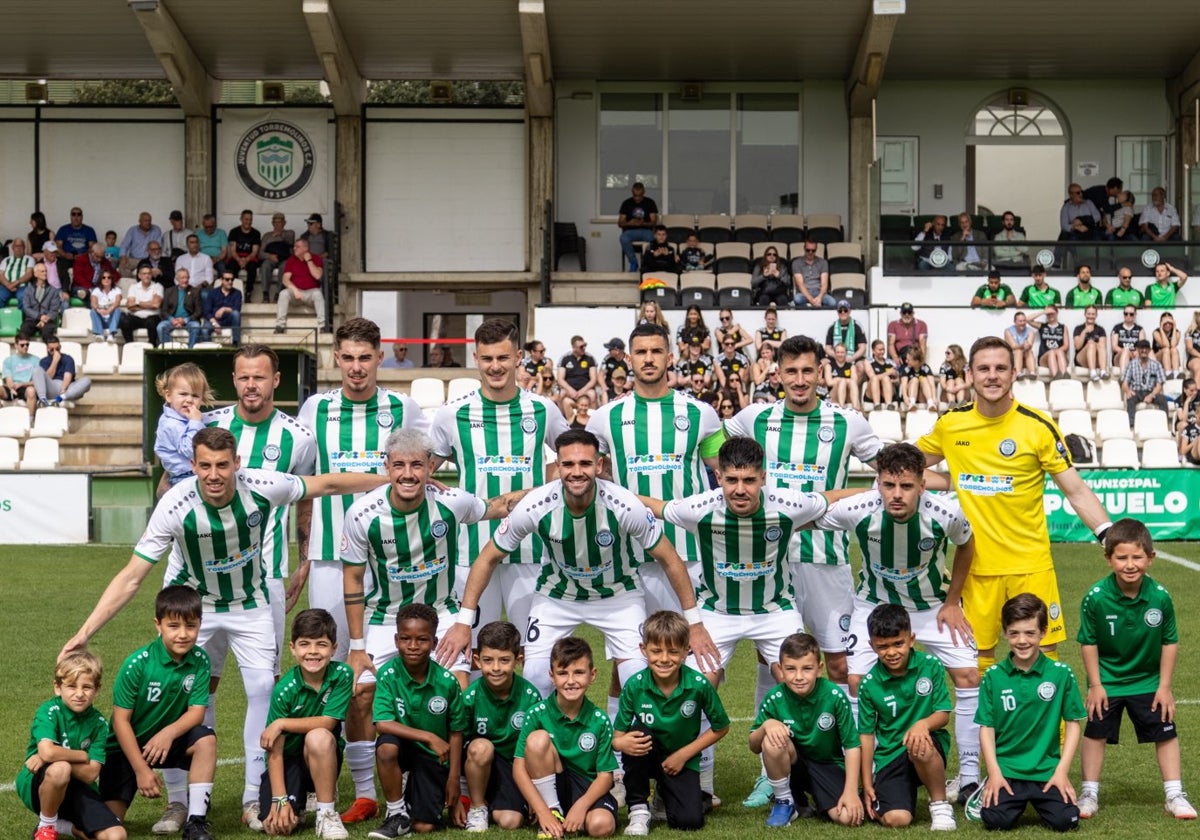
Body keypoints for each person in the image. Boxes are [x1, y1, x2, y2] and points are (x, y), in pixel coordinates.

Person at [58, 428, 391, 832]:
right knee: (189, 694)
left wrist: (392, 478)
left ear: (236, 464)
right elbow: (132, 576)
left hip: (249, 607)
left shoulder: (264, 485)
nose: (213, 475)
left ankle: (252, 797)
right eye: (204, 466)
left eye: (221, 465)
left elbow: (328, 483)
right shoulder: (176, 505)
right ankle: (179, 803)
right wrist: (85, 631)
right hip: (195, 610)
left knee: (262, 692)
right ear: (193, 466)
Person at [916, 336, 1110, 801]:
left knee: (1048, 672)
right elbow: (911, 467)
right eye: (983, 368)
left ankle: (1052, 773)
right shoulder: (951, 425)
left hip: (1029, 569)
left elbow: (1076, 489)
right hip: (974, 572)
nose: (992, 376)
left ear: (1013, 373)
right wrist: (948, 479)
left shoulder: (1037, 426)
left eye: (1000, 368)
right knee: (972, 676)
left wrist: (1107, 533)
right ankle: (971, 774)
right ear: (970, 375)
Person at [436, 429, 719, 701]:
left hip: (618, 596)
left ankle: (620, 750)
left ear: (598, 465)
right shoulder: (536, 504)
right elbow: (487, 558)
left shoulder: (624, 504)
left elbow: (670, 558)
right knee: (535, 676)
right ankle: (541, 746)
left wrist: (694, 624)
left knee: (636, 678)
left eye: (585, 463)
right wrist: (463, 622)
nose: (576, 471)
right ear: (557, 467)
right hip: (557, 597)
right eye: (568, 464)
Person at [724, 334, 883, 806]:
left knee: (838, 664)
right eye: (789, 372)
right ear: (777, 374)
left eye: (807, 371)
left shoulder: (847, 423)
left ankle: (843, 762)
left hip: (825, 559)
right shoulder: (755, 418)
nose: (798, 380)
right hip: (767, 557)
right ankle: (769, 770)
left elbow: (892, 468)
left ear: (820, 373)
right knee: (772, 663)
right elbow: (712, 445)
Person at [294, 317, 428, 822]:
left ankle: (413, 776)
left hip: (392, 560)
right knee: (331, 670)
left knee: (407, 663)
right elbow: (307, 485)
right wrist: (304, 554)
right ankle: (350, 785)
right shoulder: (315, 408)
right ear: (336, 357)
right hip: (331, 558)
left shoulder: (404, 407)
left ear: (380, 357)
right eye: (346, 358)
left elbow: (420, 472)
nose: (355, 368)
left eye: (364, 357)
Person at [815, 443, 979, 801]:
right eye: (889, 485)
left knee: (968, 675)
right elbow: (814, 511)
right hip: (873, 605)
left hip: (932, 607)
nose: (897, 495)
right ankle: (864, 770)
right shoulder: (859, 509)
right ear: (878, 483)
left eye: (906, 486)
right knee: (855, 679)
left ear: (923, 484)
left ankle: (969, 777)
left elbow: (967, 545)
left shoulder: (945, 513)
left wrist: (953, 602)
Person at [202, 344, 318, 669]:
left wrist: (304, 563)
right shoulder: (207, 426)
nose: (251, 385)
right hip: (207, 573)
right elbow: (173, 486)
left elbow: (305, 501)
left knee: (267, 674)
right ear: (234, 380)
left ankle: (268, 724)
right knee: (201, 677)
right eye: (244, 377)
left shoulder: (299, 438)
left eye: (260, 377)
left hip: (266, 575)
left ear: (276, 380)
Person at [1076, 519, 1196, 821]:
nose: (1130, 565)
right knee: (1095, 733)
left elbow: (1169, 641)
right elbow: (1088, 642)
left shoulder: (1160, 597)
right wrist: (1095, 685)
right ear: (1108, 558)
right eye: (1122, 557)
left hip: (1149, 681)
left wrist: (1164, 686)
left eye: (1137, 557)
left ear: (1150, 558)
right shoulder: (1096, 597)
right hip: (1108, 682)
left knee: (1165, 732)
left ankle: (1174, 793)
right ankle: (1089, 792)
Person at [93, 586, 216, 840]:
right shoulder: (137, 664)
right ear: (158, 625)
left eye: (190, 626)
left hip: (164, 744)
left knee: (206, 739)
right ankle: (59, 823)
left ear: (200, 624)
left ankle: (196, 823)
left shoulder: (201, 660)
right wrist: (140, 769)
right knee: (108, 825)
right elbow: (120, 721)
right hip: (125, 750)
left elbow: (196, 713)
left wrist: (168, 734)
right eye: (173, 626)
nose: (183, 634)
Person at [974, 594, 1085, 833]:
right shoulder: (993, 676)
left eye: (1030, 633)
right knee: (995, 821)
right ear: (1004, 633)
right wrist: (994, 773)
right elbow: (986, 727)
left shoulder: (1061, 674)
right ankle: (995, 789)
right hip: (1007, 772)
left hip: (1047, 771)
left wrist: (1062, 771)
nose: (1022, 640)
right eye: (1014, 633)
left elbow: (1073, 723)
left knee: (1066, 821)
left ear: (1043, 632)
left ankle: (1046, 798)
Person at [614, 611, 730, 835]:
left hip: (680, 758)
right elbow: (617, 737)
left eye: (673, 651)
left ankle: (664, 795)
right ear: (643, 650)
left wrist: (684, 754)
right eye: (656, 651)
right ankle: (638, 809)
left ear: (687, 651)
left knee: (689, 821)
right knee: (636, 734)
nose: (664, 659)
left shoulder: (698, 685)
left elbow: (721, 727)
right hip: (647, 753)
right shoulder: (634, 686)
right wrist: (622, 744)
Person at [370, 604, 468, 839]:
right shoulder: (387, 674)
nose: (413, 646)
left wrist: (454, 780)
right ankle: (396, 813)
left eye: (422, 640)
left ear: (434, 643)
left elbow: (456, 732)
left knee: (425, 827)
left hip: (432, 756)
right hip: (403, 748)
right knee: (386, 747)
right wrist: (428, 736)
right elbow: (382, 724)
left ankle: (411, 791)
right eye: (405, 639)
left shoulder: (446, 682)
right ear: (396, 640)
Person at [254, 609, 353, 840]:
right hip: (287, 759)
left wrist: (281, 723)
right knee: (280, 827)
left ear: (334, 648)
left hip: (321, 753)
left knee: (319, 735)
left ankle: (326, 813)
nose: (312, 652)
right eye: (305, 644)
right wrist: (279, 799)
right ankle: (297, 803)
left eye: (321, 644)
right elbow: (274, 748)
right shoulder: (284, 690)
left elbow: (328, 722)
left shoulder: (342, 675)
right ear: (292, 648)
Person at [856, 605, 956, 831]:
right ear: (872, 646)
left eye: (897, 644)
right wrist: (866, 781)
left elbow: (943, 714)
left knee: (918, 743)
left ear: (911, 639)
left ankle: (940, 806)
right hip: (891, 755)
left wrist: (923, 724)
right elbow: (866, 735)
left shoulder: (930, 666)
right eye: (882, 647)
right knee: (897, 820)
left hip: (928, 747)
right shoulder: (869, 684)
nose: (891, 652)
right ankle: (889, 794)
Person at [749, 633, 864, 828]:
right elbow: (754, 745)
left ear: (819, 669)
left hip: (827, 764)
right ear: (781, 670)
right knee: (772, 740)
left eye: (807, 669)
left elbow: (852, 746)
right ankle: (785, 802)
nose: (799, 677)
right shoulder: (774, 697)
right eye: (791, 669)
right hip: (794, 763)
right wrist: (766, 725)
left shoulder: (834, 696)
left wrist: (851, 791)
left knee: (847, 818)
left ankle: (807, 802)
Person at [513, 637, 619, 839]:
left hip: (586, 787)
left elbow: (606, 776)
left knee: (601, 826)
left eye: (579, 672)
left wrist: (581, 806)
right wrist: (543, 811)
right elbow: (518, 767)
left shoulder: (599, 719)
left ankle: (572, 815)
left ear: (592, 675)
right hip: (552, 782)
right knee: (537, 739)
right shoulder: (537, 713)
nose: (570, 681)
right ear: (551, 676)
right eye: (562, 673)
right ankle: (552, 813)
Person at [16, 652, 125, 840]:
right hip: (39, 784)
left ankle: (66, 827)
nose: (80, 694)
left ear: (97, 690)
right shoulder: (49, 710)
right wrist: (82, 755)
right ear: (58, 688)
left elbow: (91, 773)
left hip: (79, 787)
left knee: (116, 835)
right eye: (71, 686)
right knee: (60, 769)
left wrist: (49, 756)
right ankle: (46, 826)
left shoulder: (99, 724)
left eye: (87, 687)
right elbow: (48, 752)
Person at [461, 621, 543, 833]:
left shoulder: (530, 695)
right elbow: (457, 741)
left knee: (510, 821)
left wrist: (536, 795)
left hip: (513, 767)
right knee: (481, 747)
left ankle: (492, 798)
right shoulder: (470, 697)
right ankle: (477, 806)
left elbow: (534, 749)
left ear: (518, 660)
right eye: (488, 661)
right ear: (477, 661)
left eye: (504, 660)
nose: (496, 668)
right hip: (478, 761)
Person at [154, 362, 212, 488]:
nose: (189, 400)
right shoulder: (171, 424)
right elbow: (190, 450)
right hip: (184, 477)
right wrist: (196, 422)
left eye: (195, 396)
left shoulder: (184, 419)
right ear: (168, 396)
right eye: (183, 394)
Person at [275, 238, 327, 333]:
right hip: (296, 293)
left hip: (310, 293)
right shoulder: (291, 260)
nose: (294, 248)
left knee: (318, 294)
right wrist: (295, 290)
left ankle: (322, 326)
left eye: (297, 247)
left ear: (305, 248)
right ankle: (280, 325)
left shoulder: (316, 258)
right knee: (283, 293)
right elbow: (285, 280)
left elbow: (317, 275)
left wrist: (309, 261)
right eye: (294, 246)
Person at [33, 335, 91, 407]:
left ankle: (61, 398)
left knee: (87, 380)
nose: (55, 351)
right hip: (52, 386)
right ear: (47, 349)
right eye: (52, 349)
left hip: (67, 388)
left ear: (60, 347)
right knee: (37, 370)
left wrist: (63, 389)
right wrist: (55, 361)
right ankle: (43, 400)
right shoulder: (44, 361)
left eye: (57, 349)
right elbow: (48, 377)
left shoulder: (68, 358)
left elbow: (67, 377)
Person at [1121, 339, 1168, 426]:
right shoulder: (1131, 364)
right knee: (1130, 399)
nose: (1144, 350)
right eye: (1141, 348)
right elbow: (1124, 383)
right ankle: (1131, 425)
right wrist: (1128, 391)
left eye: (1146, 348)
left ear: (1149, 350)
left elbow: (1159, 385)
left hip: (1151, 391)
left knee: (1162, 399)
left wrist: (1151, 395)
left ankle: (1163, 424)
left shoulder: (1156, 365)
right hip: (1136, 391)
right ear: (1137, 350)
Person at [119, 265, 164, 347]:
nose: (147, 276)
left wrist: (137, 303)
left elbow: (156, 305)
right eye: (144, 274)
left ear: (152, 275)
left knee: (152, 322)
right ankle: (130, 346)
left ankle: (152, 347)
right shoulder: (133, 287)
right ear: (139, 275)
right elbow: (130, 306)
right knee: (125, 321)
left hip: (152, 317)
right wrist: (149, 303)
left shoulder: (158, 286)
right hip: (136, 317)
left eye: (149, 273)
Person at [618, 183, 659, 272]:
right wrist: (630, 223)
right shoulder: (626, 203)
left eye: (639, 195)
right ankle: (633, 263)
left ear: (644, 192)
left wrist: (643, 223)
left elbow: (654, 222)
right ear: (632, 192)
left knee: (653, 239)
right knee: (623, 238)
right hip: (630, 232)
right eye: (635, 195)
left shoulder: (650, 202)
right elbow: (620, 223)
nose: (637, 198)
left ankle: (647, 264)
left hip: (646, 231)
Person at [157, 268, 203, 347]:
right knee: (161, 327)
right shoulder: (169, 291)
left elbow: (199, 311)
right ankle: (168, 351)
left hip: (189, 320)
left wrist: (185, 320)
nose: (185, 280)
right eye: (182, 278)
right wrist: (172, 320)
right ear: (177, 279)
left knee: (196, 326)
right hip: (172, 320)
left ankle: (190, 352)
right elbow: (163, 311)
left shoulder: (195, 291)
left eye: (187, 277)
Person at [557, 334, 600, 414]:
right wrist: (570, 390)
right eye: (581, 347)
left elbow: (593, 380)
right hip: (569, 389)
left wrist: (581, 391)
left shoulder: (590, 358)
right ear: (574, 348)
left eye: (584, 345)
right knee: (561, 393)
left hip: (585, 389)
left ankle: (592, 419)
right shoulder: (565, 358)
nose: (584, 348)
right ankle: (562, 419)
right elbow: (560, 379)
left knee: (592, 394)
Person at [258, 212, 296, 303]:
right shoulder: (267, 236)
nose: (277, 224)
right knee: (265, 266)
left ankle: (278, 294)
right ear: (272, 223)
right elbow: (260, 253)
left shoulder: (289, 233)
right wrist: (269, 256)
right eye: (275, 222)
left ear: (284, 223)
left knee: (285, 267)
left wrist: (280, 234)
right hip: (271, 258)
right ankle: (265, 294)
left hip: (285, 258)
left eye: (280, 222)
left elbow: (290, 241)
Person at [21, 262, 62, 342]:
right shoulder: (28, 289)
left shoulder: (53, 290)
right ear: (35, 274)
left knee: (47, 333)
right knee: (24, 332)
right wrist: (39, 316)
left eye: (46, 271)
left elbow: (54, 310)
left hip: (47, 321)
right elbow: (26, 307)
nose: (45, 273)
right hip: (31, 319)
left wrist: (43, 320)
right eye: (42, 271)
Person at [824, 299, 867, 375]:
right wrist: (838, 356)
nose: (843, 312)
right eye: (840, 310)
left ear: (849, 311)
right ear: (837, 312)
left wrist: (852, 358)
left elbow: (862, 348)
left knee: (861, 367)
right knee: (822, 364)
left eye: (845, 310)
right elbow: (827, 348)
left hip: (853, 356)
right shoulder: (832, 327)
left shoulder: (857, 326)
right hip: (836, 355)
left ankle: (853, 386)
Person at [3, 335, 41, 419]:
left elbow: (37, 380)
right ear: (16, 345)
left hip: (28, 387)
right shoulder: (8, 360)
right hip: (13, 387)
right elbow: (8, 378)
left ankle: (30, 421)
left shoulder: (36, 360)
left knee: (31, 391)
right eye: (22, 345)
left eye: (27, 344)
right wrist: (11, 388)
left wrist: (22, 384)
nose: (25, 347)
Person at [200, 271, 243, 345]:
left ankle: (236, 343)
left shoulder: (237, 293)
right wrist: (215, 324)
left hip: (228, 320)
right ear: (221, 280)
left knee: (236, 314)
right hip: (214, 320)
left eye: (232, 279)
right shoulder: (212, 293)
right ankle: (209, 349)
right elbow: (207, 312)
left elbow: (237, 308)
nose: (230, 282)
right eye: (227, 279)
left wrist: (224, 309)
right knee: (204, 329)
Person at [227, 210, 262, 299]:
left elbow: (254, 252)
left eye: (250, 219)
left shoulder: (256, 233)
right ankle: (232, 291)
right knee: (231, 268)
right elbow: (232, 250)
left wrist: (245, 260)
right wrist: (239, 260)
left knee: (252, 268)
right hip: (236, 256)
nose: (248, 222)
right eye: (246, 219)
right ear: (241, 219)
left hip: (250, 257)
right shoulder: (234, 232)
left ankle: (248, 292)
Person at [790, 240, 834, 308]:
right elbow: (800, 285)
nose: (810, 252)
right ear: (804, 248)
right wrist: (812, 301)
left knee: (832, 302)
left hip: (819, 292)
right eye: (808, 250)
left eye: (813, 250)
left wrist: (819, 298)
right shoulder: (796, 263)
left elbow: (824, 284)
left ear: (816, 250)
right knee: (797, 299)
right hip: (804, 293)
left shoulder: (823, 262)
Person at [118, 212, 163, 276]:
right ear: (140, 221)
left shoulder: (156, 230)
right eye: (145, 221)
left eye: (149, 220)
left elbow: (157, 246)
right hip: (134, 259)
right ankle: (131, 284)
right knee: (123, 265)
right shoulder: (132, 230)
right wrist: (122, 256)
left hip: (149, 260)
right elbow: (124, 245)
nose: (148, 222)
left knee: (157, 269)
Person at [1031, 305, 1069, 380]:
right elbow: (1028, 320)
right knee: (1051, 352)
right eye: (1048, 314)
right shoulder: (1042, 326)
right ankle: (1056, 378)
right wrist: (1043, 312)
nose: (1050, 315)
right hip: (1044, 358)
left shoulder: (1063, 327)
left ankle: (1064, 376)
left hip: (1059, 356)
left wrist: (1057, 351)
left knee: (1059, 351)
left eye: (1052, 313)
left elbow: (1066, 346)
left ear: (1057, 312)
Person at [885, 302, 927, 368]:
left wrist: (921, 360)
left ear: (913, 313)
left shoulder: (921, 324)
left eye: (909, 312)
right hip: (900, 356)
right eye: (904, 312)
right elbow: (891, 344)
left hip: (914, 356)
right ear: (900, 313)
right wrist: (895, 358)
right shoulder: (893, 325)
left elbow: (923, 345)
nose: (907, 315)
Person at [1073, 305, 1108, 381]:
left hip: (1096, 359)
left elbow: (1102, 347)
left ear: (1096, 315)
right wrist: (1084, 331)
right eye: (1089, 314)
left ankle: (1103, 372)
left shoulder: (1100, 329)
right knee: (1091, 343)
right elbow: (1077, 346)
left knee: (1098, 344)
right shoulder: (1078, 328)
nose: (1091, 316)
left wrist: (1094, 344)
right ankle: (1092, 373)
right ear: (1085, 314)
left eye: (1093, 314)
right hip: (1081, 359)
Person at [1110, 304, 1145, 377]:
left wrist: (1136, 352)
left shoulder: (1140, 329)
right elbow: (1114, 347)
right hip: (1119, 357)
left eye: (1131, 314)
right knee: (1125, 350)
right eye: (1126, 314)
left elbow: (1143, 345)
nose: (1128, 316)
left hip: (1135, 356)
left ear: (1135, 315)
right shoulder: (1117, 328)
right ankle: (1124, 378)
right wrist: (1127, 352)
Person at [898, 345, 935, 412]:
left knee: (923, 379)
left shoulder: (925, 368)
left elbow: (932, 385)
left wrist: (934, 397)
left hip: (922, 396)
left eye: (909, 360)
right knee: (915, 379)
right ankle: (912, 404)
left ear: (916, 361)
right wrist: (905, 397)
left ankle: (930, 403)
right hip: (910, 395)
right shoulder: (906, 369)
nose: (906, 361)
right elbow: (904, 385)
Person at [0, 236, 35, 306]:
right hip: (6, 286)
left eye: (21, 246)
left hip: (23, 286)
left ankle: (22, 317)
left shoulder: (29, 259)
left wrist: (14, 284)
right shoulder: (6, 260)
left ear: (24, 247)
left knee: (23, 296)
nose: (18, 248)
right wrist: (8, 285)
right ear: (12, 248)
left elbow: (29, 274)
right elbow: (0, 275)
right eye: (16, 246)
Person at [824, 343, 860, 410]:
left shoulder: (851, 366)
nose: (840, 354)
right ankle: (841, 406)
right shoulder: (829, 366)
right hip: (833, 394)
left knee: (851, 382)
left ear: (846, 353)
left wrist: (837, 379)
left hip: (848, 394)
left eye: (842, 352)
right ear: (834, 353)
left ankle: (855, 407)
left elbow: (854, 381)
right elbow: (829, 382)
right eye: (838, 352)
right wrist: (843, 381)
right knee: (843, 381)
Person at [89, 269, 122, 341]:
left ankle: (111, 334)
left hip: (111, 318)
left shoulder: (116, 290)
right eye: (103, 277)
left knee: (117, 310)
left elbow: (117, 302)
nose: (106, 279)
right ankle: (99, 334)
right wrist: (99, 310)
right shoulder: (96, 290)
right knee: (93, 311)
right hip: (101, 318)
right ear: (100, 279)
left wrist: (110, 309)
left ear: (111, 279)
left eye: (109, 277)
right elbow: (93, 303)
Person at [1004, 310, 1037, 380]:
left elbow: (1029, 344)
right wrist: (1022, 346)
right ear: (1015, 322)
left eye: (1024, 321)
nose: (1023, 323)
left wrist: (1027, 346)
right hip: (1013, 357)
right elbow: (1013, 346)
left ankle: (1032, 373)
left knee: (1029, 351)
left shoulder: (1030, 331)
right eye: (1020, 321)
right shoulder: (1008, 331)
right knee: (1018, 351)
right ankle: (1018, 373)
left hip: (1025, 356)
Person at [865, 339, 898, 409]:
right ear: (873, 350)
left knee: (886, 379)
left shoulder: (890, 362)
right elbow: (872, 377)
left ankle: (889, 404)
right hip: (872, 392)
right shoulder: (868, 361)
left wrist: (891, 381)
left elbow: (899, 380)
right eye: (879, 350)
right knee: (875, 379)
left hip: (887, 391)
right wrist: (888, 373)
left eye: (883, 349)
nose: (882, 352)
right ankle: (877, 404)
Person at [1154, 311, 1182, 379]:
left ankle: (1176, 373)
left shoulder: (1177, 332)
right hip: (1159, 358)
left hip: (1172, 358)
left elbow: (1173, 344)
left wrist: (1174, 327)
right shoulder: (1156, 332)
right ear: (1161, 323)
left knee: (1174, 349)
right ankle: (1168, 373)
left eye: (1170, 323)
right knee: (1166, 349)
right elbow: (1165, 345)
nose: (1167, 325)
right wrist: (1161, 328)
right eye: (1165, 323)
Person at [1187, 311, 1200, 383]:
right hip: (1194, 357)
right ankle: (1198, 393)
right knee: (1199, 369)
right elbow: (1190, 349)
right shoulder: (1190, 332)